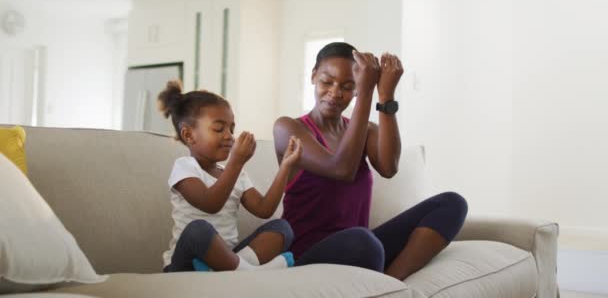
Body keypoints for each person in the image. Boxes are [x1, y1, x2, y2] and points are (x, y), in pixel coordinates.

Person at [273, 42, 468, 280]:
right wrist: (366, 91)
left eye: (348, 86)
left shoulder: (364, 131)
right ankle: (382, 282)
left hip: (362, 249)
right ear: (313, 76)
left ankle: (393, 284)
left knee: (452, 203)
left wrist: (386, 96)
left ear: (356, 89)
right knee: (363, 240)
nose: (335, 93)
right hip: (308, 254)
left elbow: (388, 168)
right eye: (327, 82)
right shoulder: (288, 128)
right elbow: (342, 169)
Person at [158, 80, 302, 272]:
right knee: (198, 230)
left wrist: (285, 167)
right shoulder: (185, 168)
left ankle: (236, 267)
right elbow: (210, 204)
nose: (229, 136)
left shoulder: (235, 173)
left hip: (227, 258)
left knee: (282, 228)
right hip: (186, 264)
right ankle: (248, 271)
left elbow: (264, 209)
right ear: (189, 135)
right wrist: (236, 162)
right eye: (219, 129)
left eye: (231, 129)